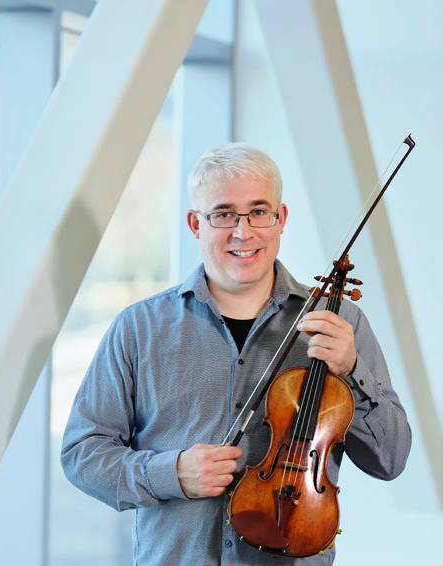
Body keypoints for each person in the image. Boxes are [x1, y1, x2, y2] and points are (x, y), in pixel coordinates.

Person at [61, 143, 412, 565]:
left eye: (258, 211)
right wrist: (171, 474)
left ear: (281, 219)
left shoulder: (338, 322)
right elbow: (83, 455)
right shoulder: (139, 327)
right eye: (224, 214)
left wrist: (352, 371)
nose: (243, 232)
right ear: (196, 224)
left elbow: (391, 460)